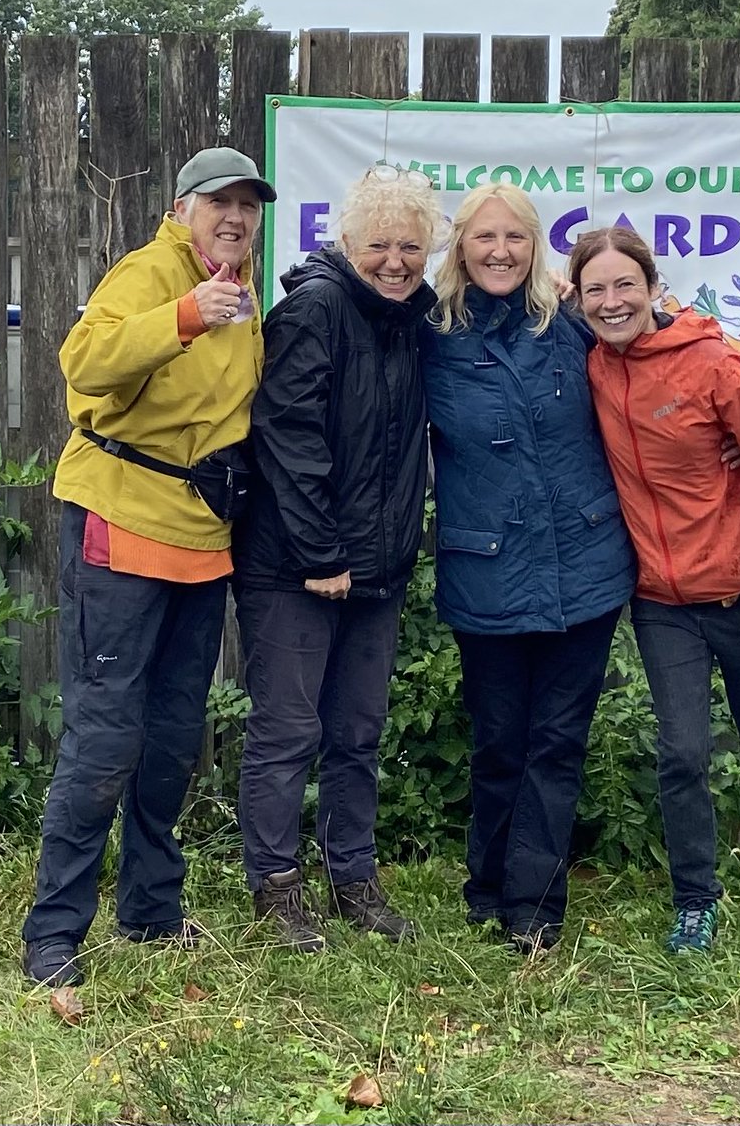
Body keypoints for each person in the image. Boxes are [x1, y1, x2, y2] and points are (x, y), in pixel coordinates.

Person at [21, 147, 275, 987]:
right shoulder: (151, 273)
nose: (235, 217)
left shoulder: (244, 297)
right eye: (219, 203)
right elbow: (82, 365)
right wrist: (187, 315)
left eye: (248, 205)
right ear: (181, 208)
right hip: (119, 527)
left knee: (172, 737)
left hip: (201, 542)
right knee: (105, 738)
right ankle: (54, 933)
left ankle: (151, 912)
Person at [568, 225, 740, 954]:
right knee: (682, 753)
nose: (612, 300)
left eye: (625, 284)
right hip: (661, 601)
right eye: (595, 289)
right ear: (578, 299)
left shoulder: (717, 367)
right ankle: (696, 899)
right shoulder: (590, 364)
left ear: (655, 288)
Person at [231, 165, 445, 952]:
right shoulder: (316, 309)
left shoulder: (409, 322)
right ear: (348, 242)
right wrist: (322, 552)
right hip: (296, 567)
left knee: (357, 732)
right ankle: (276, 889)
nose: (396, 261)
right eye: (381, 245)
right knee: (287, 730)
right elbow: (287, 436)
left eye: (411, 247)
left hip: (376, 569)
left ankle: (353, 879)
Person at [419, 183, 636, 954]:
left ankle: (535, 910)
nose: (501, 251)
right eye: (485, 238)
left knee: (557, 741)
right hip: (487, 570)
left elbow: (655, 349)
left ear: (536, 245)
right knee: (500, 738)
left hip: (586, 565)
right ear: (462, 248)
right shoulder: (430, 332)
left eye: (515, 238)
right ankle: (487, 888)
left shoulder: (572, 324)